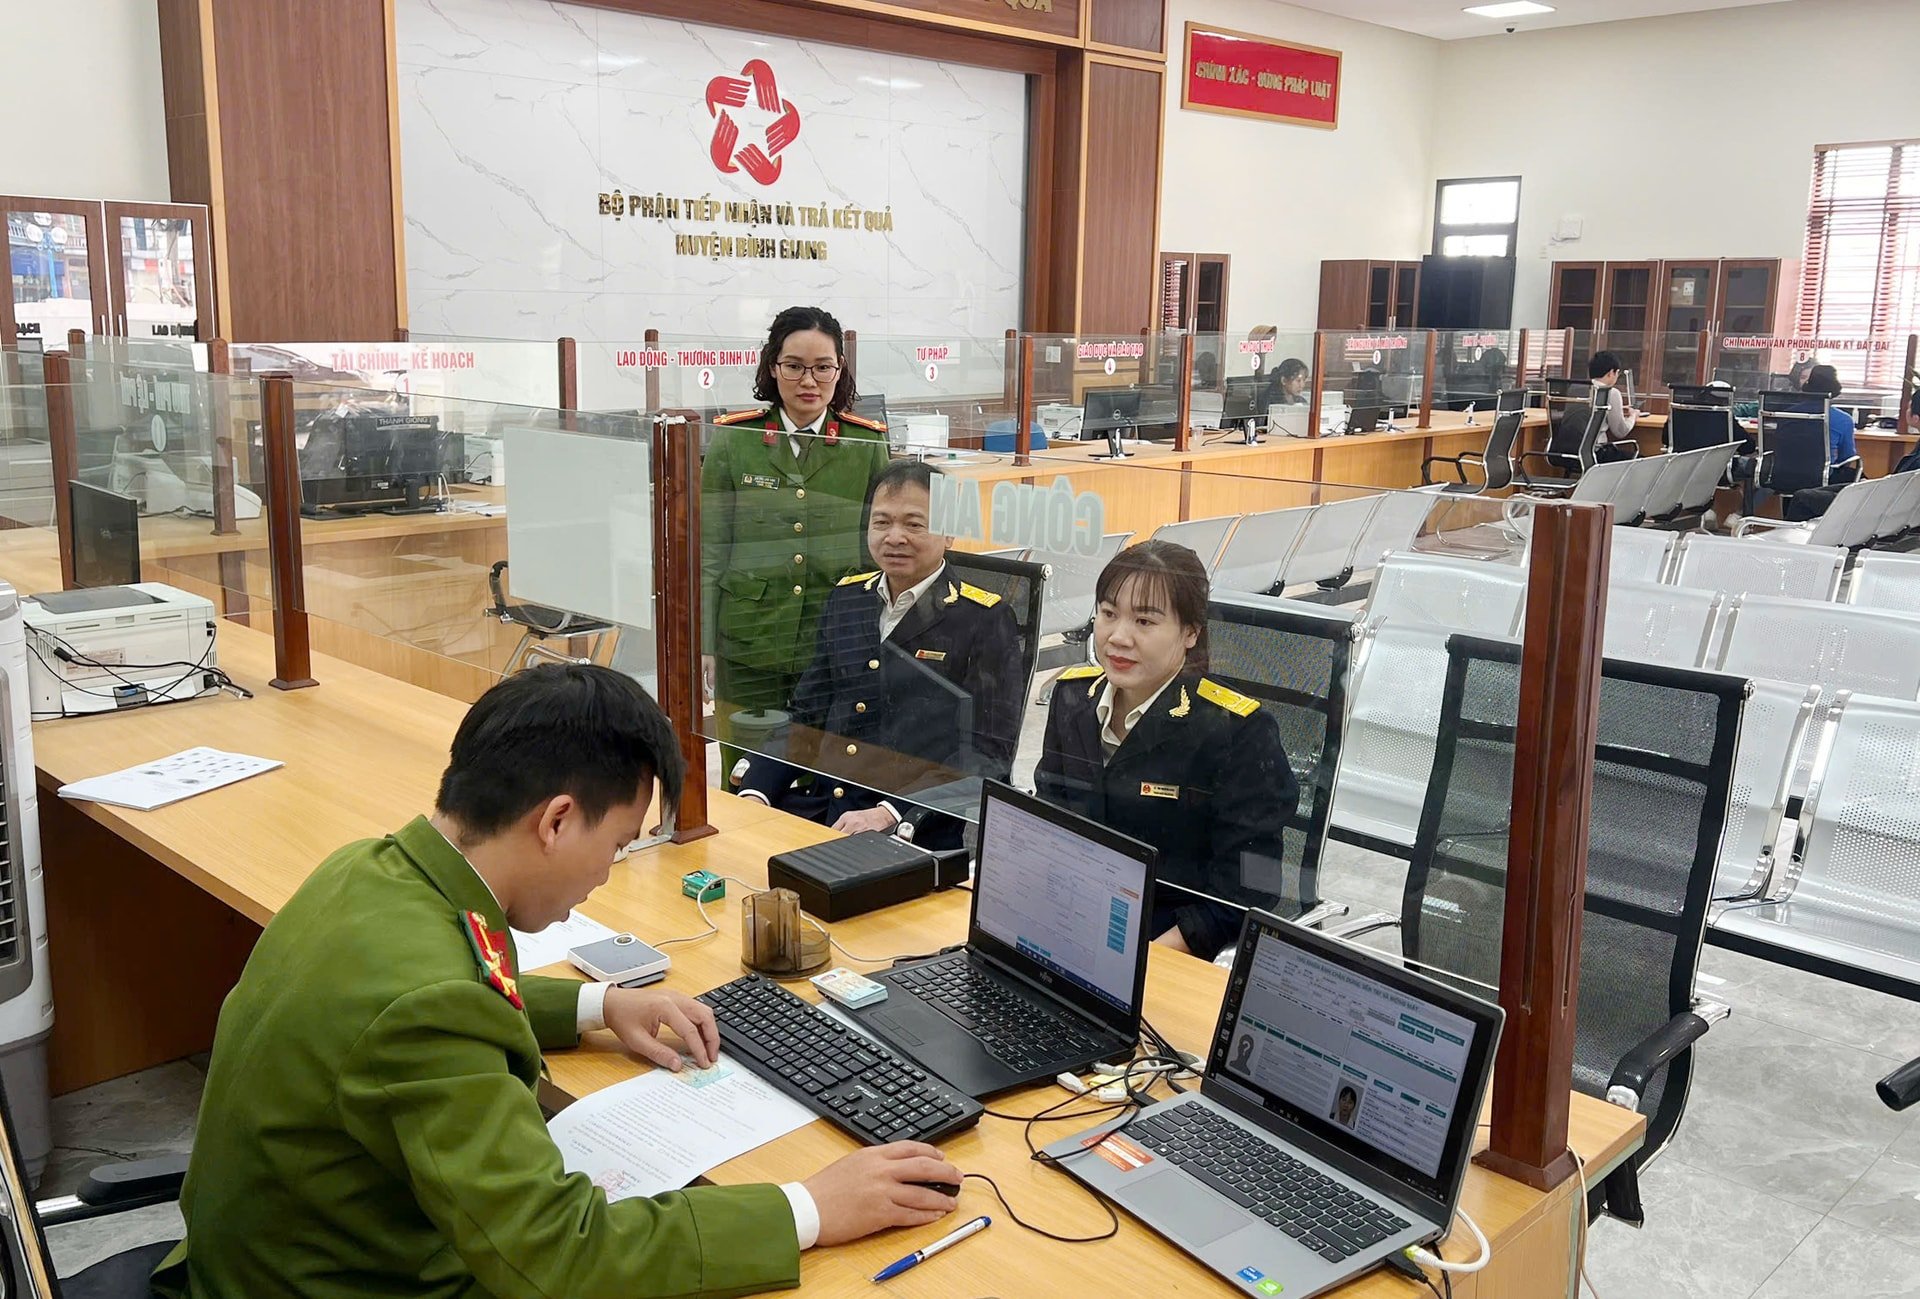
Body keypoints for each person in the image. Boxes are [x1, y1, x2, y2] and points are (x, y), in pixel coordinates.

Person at [151, 665, 961, 1299]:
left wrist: (598, 1002)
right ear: (557, 820)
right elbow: (554, 1259)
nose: (609, 873)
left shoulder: (371, 871)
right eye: (617, 844)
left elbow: (435, 985)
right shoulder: (427, 1005)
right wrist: (810, 1207)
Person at [734, 460, 1024, 847]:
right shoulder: (848, 598)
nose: (895, 537)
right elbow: (808, 714)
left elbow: (988, 755)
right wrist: (758, 789)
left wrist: (889, 812)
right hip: (822, 812)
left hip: (911, 830)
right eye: (882, 522)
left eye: (914, 524)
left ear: (950, 533)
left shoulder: (982, 619)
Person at [1034, 540, 1297, 962]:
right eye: (1108, 613)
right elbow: (1049, 821)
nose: (1118, 637)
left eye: (1144, 621)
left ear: (1190, 632)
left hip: (1164, 946)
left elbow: (1249, 886)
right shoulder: (1072, 699)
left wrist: (1148, 960)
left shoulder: (1237, 731)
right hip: (1069, 925)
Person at [700, 306, 892, 773]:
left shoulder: (865, 444)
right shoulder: (734, 440)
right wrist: (703, 644)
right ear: (773, 366)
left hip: (833, 640)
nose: (809, 380)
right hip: (748, 640)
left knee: (823, 772)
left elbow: (882, 544)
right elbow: (707, 551)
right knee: (743, 769)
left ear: (839, 370)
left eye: (823, 367)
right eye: (794, 366)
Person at [1781, 364, 1862, 522]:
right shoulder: (1843, 420)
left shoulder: (1786, 414)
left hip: (1782, 474)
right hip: (1821, 475)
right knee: (1857, 476)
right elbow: (1847, 456)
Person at [1587, 350, 1641, 464]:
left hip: (1568, 451)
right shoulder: (1610, 392)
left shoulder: (1576, 389)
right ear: (1611, 373)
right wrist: (1633, 416)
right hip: (1597, 452)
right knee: (1643, 461)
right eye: (1617, 373)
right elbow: (1620, 431)